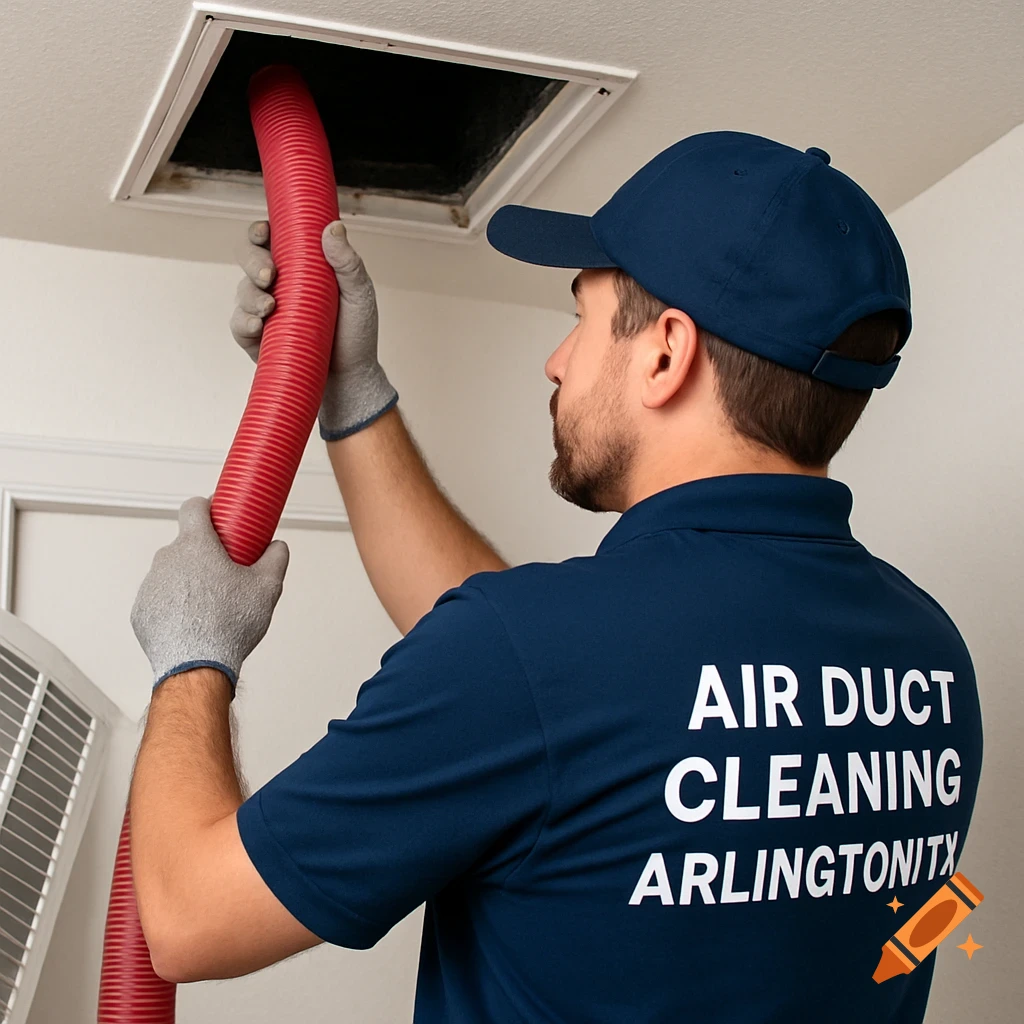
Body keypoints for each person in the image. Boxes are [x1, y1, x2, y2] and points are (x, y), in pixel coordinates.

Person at [129, 131, 983, 1023]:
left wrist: (191, 658)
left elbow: (188, 920)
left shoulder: (535, 657)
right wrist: (351, 389)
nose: (558, 359)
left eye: (582, 318)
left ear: (665, 354)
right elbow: (552, 715)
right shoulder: (932, 654)